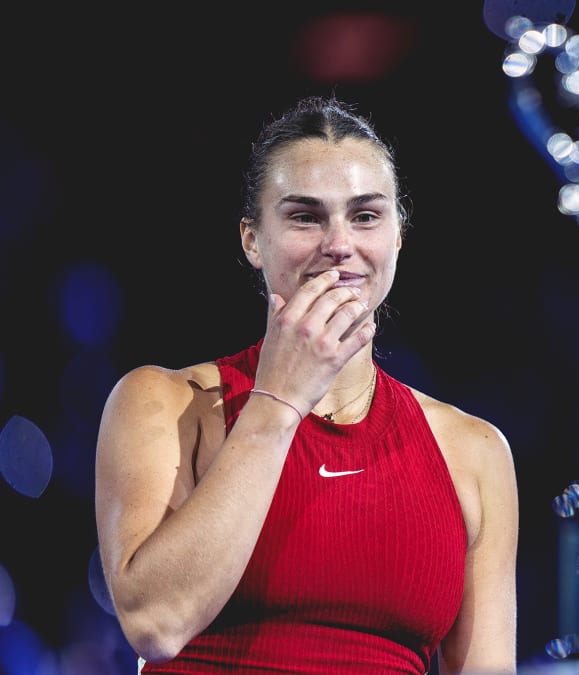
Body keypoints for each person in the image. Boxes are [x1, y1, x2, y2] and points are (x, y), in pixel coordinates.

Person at [94, 94, 519, 674]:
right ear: (251, 240)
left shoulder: (474, 452)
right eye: (305, 216)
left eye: (366, 216)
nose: (339, 244)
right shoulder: (162, 404)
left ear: (398, 235)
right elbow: (156, 624)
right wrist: (279, 401)